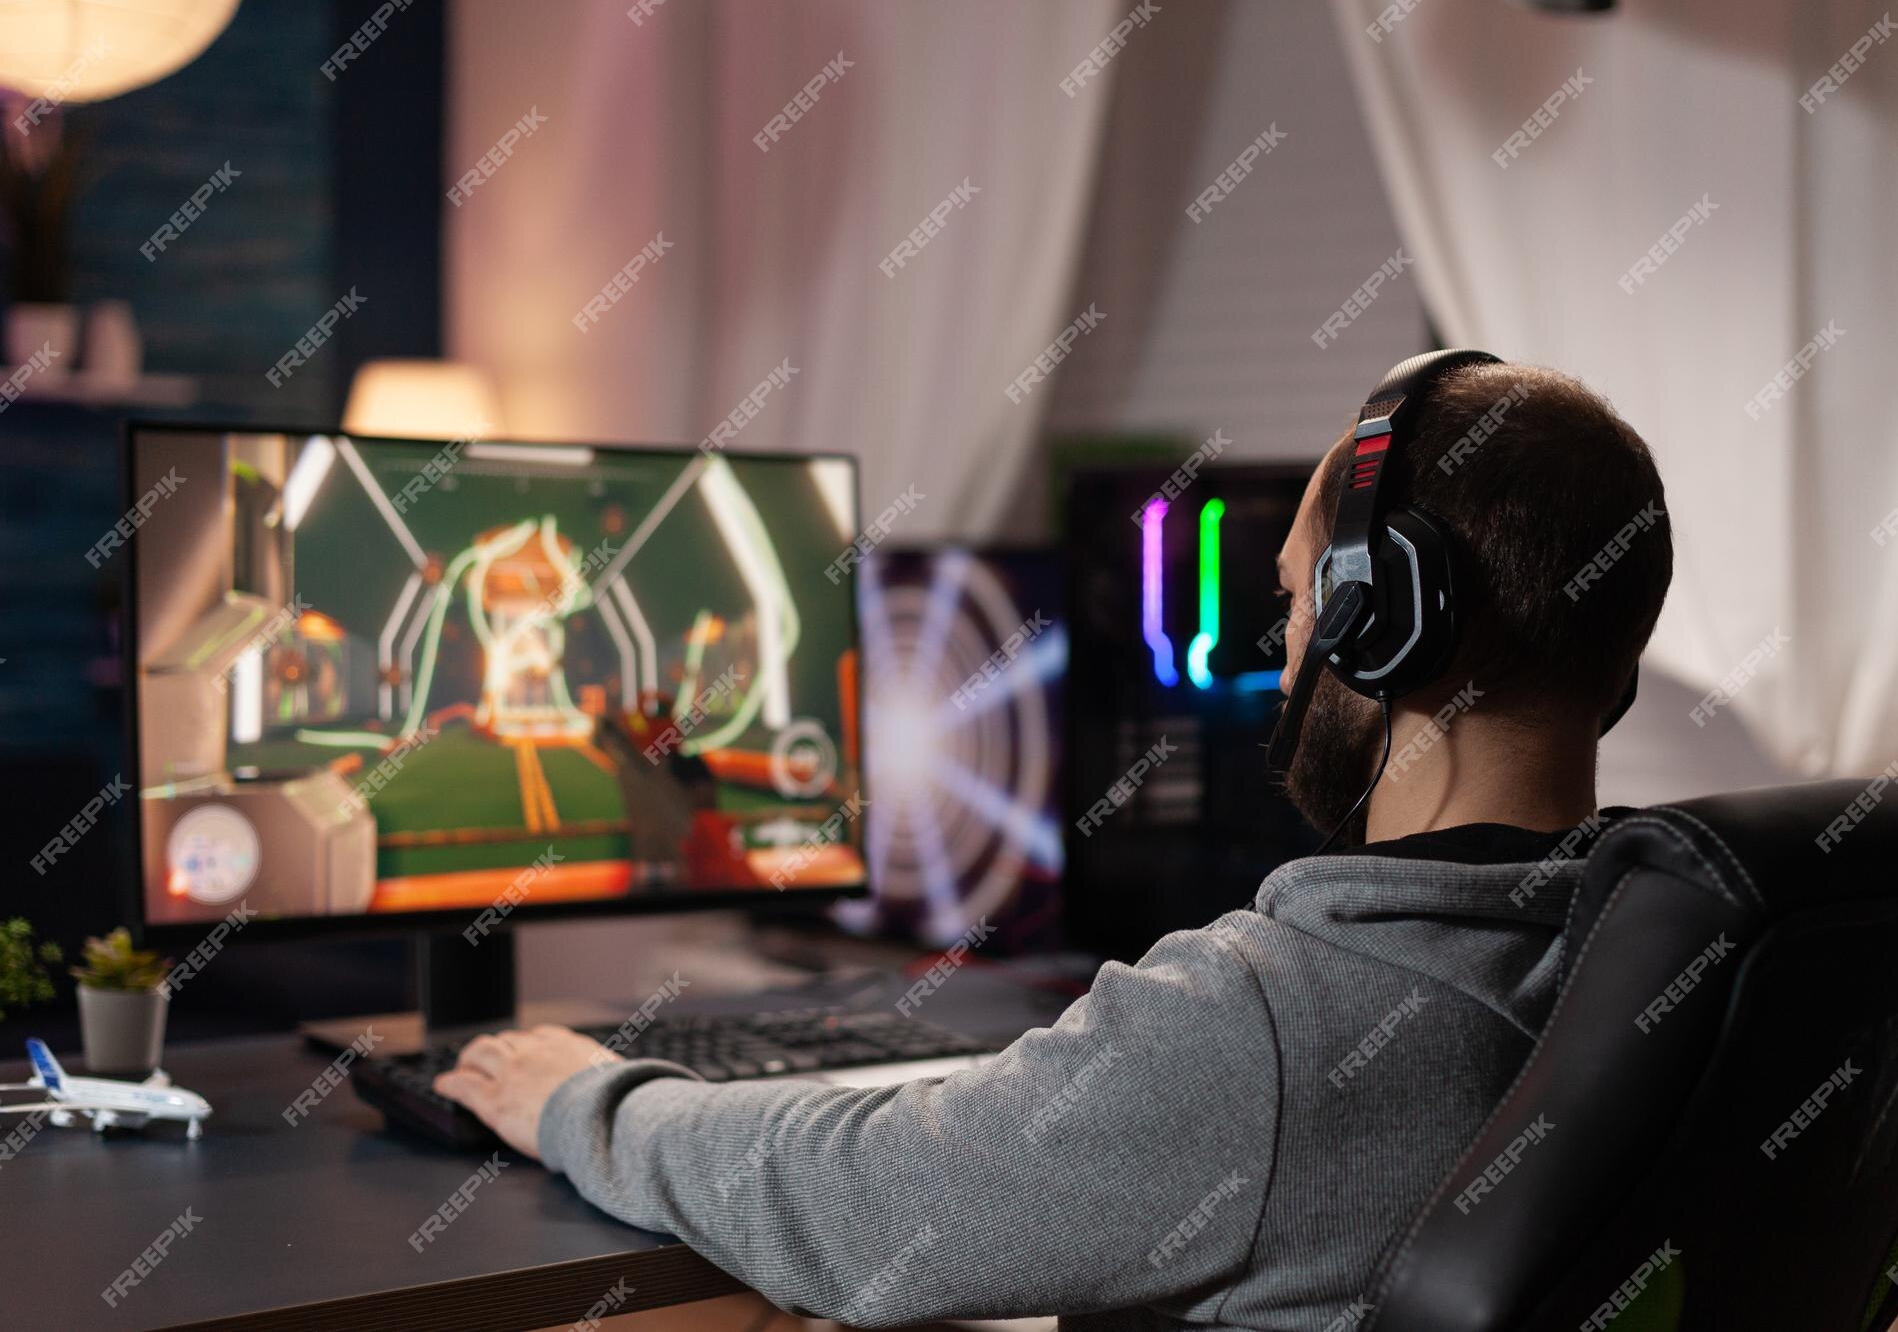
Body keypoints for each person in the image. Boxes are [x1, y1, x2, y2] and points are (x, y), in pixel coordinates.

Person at [434, 359, 1674, 1331]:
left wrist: (586, 1100)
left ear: (1381, 622)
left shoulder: (1270, 1018)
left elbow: (853, 1207)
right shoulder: (1665, 960)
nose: (1278, 650)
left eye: (1298, 602)